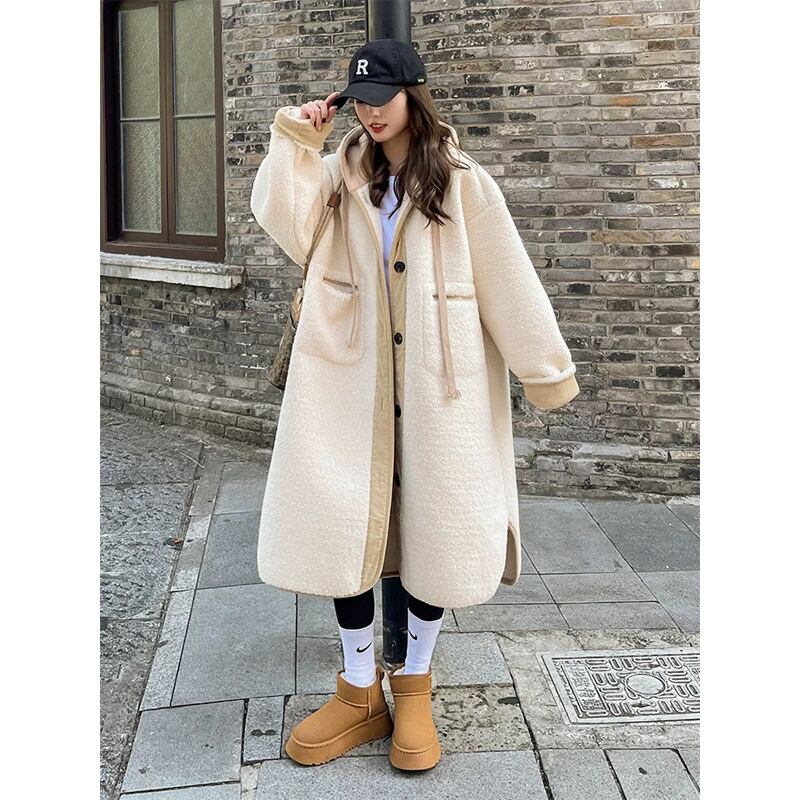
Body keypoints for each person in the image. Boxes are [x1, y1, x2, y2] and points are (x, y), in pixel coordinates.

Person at [249, 38, 579, 772]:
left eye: (383, 98)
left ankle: (415, 686)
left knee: (437, 532)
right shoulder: (338, 174)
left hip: (438, 390)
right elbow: (282, 221)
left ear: (413, 95)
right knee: (345, 532)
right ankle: (359, 689)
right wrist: (297, 140)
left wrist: (546, 370)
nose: (370, 113)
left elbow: (508, 278)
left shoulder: (462, 182)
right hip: (349, 385)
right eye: (359, 101)